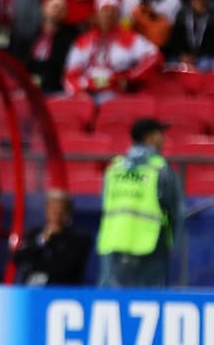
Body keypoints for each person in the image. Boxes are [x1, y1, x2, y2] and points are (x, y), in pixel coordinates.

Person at [96, 118, 182, 289]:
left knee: (111, 302)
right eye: (160, 134)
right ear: (149, 138)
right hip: (150, 243)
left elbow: (105, 203)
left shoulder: (114, 169)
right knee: (151, 302)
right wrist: (173, 242)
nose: (163, 139)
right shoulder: (161, 169)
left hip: (114, 240)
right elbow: (175, 211)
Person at [13, 189, 93, 285]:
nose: (57, 216)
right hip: (31, 288)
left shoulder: (79, 238)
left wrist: (35, 263)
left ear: (69, 212)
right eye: (53, 211)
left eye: (61, 212)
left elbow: (64, 267)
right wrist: (42, 240)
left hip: (61, 290)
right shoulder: (35, 234)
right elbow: (18, 258)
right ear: (47, 211)